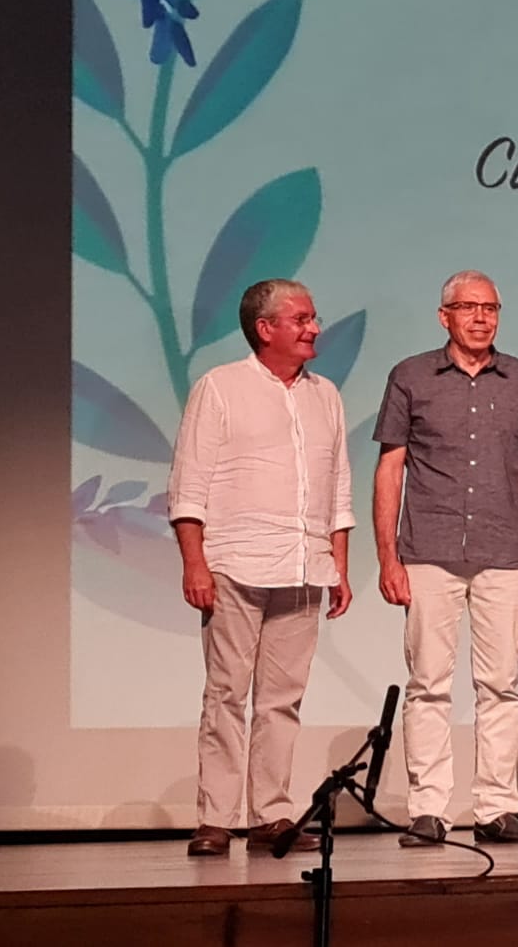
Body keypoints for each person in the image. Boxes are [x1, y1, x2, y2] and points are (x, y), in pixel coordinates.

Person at [374, 270, 518, 846]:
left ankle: (496, 808)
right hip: (428, 551)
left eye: (491, 308)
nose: (481, 318)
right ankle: (428, 810)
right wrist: (387, 557)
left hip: (504, 551)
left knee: (501, 684)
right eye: (468, 307)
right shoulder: (410, 376)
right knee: (428, 683)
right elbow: (390, 469)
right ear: (445, 316)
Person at [169, 279, 354, 857]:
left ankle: (270, 814)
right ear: (265, 328)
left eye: (314, 317)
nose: (314, 328)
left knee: (281, 699)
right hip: (235, 565)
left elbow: (338, 487)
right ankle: (215, 819)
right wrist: (195, 564)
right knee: (226, 693)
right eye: (302, 319)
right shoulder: (220, 388)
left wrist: (338, 566)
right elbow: (188, 486)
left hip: (304, 568)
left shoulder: (325, 395)